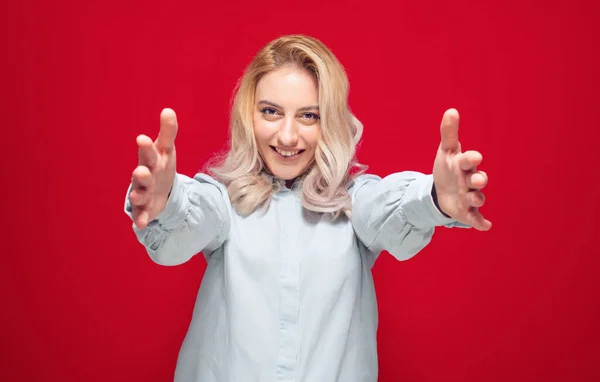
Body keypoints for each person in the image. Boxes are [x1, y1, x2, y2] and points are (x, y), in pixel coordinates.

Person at [124, 35, 491, 382]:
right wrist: (167, 201)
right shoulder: (223, 202)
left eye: (308, 116)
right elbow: (188, 222)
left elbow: (390, 213)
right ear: (247, 117)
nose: (286, 136)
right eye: (270, 112)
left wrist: (434, 198)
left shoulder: (354, 202)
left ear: (329, 121)